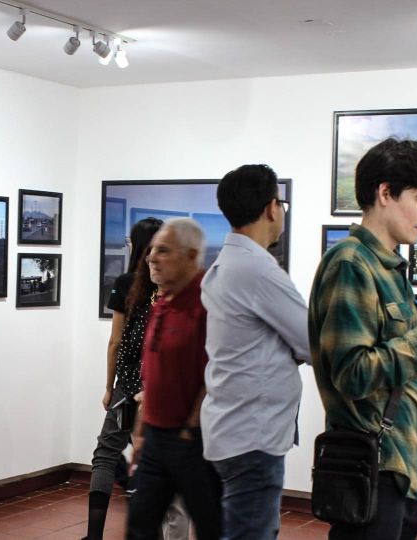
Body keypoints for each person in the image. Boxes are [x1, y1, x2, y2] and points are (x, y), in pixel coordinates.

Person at [307, 138, 417, 540]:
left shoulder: (389, 269)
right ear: (385, 193)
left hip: (402, 465)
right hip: (374, 465)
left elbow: (399, 370)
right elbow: (353, 374)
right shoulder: (351, 264)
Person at [200, 164, 311, 540]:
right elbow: (313, 343)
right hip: (253, 437)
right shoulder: (259, 271)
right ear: (271, 208)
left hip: (234, 428)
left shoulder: (226, 265)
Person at [87, 218, 192, 540]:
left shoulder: (126, 283)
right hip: (160, 386)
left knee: (106, 455)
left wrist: (109, 387)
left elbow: (115, 341)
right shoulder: (174, 285)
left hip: (129, 385)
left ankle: (94, 534)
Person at [126, 218, 221, 540]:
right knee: (140, 524)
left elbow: (216, 372)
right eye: (152, 249)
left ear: (191, 255)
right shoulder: (162, 303)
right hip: (156, 437)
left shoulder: (209, 304)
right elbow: (153, 375)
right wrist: (141, 433)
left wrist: (190, 428)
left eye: (163, 251)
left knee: (211, 526)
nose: (151, 257)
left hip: (192, 441)